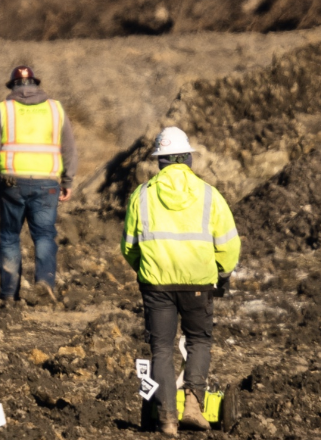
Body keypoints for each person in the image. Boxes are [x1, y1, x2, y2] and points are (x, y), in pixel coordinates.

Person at [121, 127, 241, 434]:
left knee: (160, 348)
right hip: (199, 283)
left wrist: (145, 269)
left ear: (160, 161)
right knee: (199, 340)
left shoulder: (142, 196)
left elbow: (129, 246)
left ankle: (167, 419)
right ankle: (193, 404)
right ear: (188, 158)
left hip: (156, 285)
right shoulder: (209, 195)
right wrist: (222, 274)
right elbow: (229, 244)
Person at [0, 64, 78, 306]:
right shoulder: (56, 109)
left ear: (13, 87)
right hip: (47, 184)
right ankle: (44, 285)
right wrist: (68, 180)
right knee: (44, 235)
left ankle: (9, 293)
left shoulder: (3, 109)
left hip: (12, 183)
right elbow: (70, 149)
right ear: (36, 84)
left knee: (10, 236)